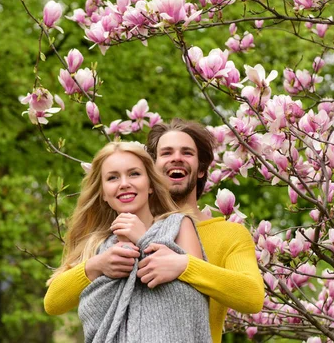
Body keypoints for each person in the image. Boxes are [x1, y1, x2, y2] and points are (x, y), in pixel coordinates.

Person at [45, 120, 264, 343]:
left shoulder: (228, 234)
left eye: (187, 153)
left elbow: (252, 298)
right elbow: (53, 301)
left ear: (201, 169)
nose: (176, 158)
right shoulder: (106, 240)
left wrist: (185, 266)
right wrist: (95, 265)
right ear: (154, 169)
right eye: (166, 152)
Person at [47, 141, 211, 343]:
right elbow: (53, 303)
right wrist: (97, 265)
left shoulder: (178, 226)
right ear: (103, 193)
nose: (124, 183)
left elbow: (196, 301)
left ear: (150, 185)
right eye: (113, 177)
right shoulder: (96, 245)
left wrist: (144, 239)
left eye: (134, 174)